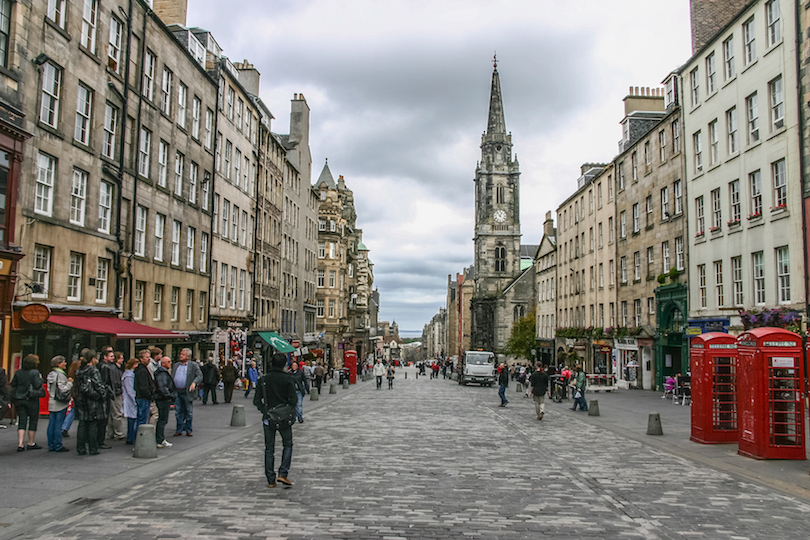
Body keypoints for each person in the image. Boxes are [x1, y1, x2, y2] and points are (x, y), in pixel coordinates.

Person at [254, 353, 297, 488]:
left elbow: (256, 400)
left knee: (269, 448)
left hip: (269, 417)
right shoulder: (287, 379)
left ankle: (270, 479)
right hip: (284, 417)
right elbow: (293, 400)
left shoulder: (264, 379)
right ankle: (283, 472)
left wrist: (265, 411)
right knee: (288, 444)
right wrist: (288, 411)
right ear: (284, 364)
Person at [74, 350, 113, 455]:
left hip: (81, 399)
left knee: (82, 424)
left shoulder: (79, 371)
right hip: (93, 400)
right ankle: (93, 448)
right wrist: (103, 394)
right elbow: (98, 385)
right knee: (92, 424)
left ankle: (81, 448)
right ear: (92, 359)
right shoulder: (93, 370)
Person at [10, 353, 45, 451]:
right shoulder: (35, 372)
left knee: (22, 420)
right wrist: (40, 378)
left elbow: (14, 384)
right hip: (31, 398)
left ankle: (20, 443)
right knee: (33, 420)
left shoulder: (19, 372)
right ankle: (31, 443)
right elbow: (37, 385)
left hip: (19, 398)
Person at [171, 347, 203, 436]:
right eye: (181, 354)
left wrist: (194, 383)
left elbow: (199, 376)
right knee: (178, 412)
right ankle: (179, 429)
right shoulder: (176, 365)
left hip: (187, 391)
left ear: (188, 356)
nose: (181, 356)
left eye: (183, 354)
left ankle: (188, 429)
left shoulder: (193, 365)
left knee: (188, 411)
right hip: (177, 391)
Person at [46, 356, 73, 452]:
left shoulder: (51, 374)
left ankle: (51, 444)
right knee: (58, 425)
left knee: (51, 424)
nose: (65, 363)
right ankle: (58, 445)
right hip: (60, 403)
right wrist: (69, 383)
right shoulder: (61, 375)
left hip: (52, 401)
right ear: (58, 363)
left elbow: (49, 389)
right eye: (63, 362)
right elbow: (63, 389)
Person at [154, 356, 177, 448]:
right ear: (163, 363)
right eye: (168, 361)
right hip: (162, 399)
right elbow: (163, 387)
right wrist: (169, 396)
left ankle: (160, 438)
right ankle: (159, 439)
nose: (170, 363)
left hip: (162, 398)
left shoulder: (162, 373)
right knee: (162, 420)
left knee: (162, 420)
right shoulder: (162, 374)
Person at [96, 346, 116, 447]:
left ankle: (98, 440)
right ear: (105, 357)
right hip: (104, 396)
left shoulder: (102, 366)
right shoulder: (105, 367)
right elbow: (105, 383)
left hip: (103, 395)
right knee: (103, 419)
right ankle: (100, 440)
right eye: (111, 356)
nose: (113, 358)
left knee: (102, 420)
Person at [133, 349, 154, 435]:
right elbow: (143, 386)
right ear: (141, 359)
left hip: (142, 397)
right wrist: (149, 395)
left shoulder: (142, 369)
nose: (149, 359)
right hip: (143, 398)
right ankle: (138, 440)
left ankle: (137, 440)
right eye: (146, 357)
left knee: (140, 419)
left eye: (149, 357)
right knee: (141, 420)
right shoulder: (142, 371)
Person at [121, 358, 138, 445]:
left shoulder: (130, 374)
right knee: (132, 419)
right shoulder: (128, 376)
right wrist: (135, 400)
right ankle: (130, 438)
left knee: (132, 419)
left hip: (130, 400)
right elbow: (130, 390)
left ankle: (131, 437)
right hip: (130, 400)